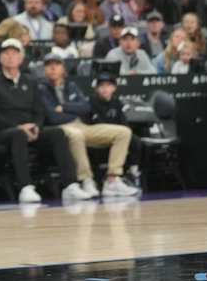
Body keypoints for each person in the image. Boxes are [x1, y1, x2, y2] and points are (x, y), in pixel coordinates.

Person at [0, 39, 90, 204]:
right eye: (6, 54)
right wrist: (19, 127)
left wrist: (37, 126)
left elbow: (38, 111)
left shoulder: (29, 81)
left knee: (57, 133)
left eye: (14, 53)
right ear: (0, 58)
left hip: (31, 129)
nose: (10, 57)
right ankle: (26, 187)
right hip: (2, 131)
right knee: (18, 134)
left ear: (21, 59)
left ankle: (70, 185)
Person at [38, 55, 138, 198]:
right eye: (49, 65)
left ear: (63, 69)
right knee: (76, 135)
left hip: (83, 125)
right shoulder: (41, 88)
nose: (53, 68)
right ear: (44, 70)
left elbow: (86, 108)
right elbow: (53, 117)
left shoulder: (71, 86)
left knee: (123, 132)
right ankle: (86, 180)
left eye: (56, 64)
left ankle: (112, 180)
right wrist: (72, 112)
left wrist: (64, 107)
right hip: (60, 128)